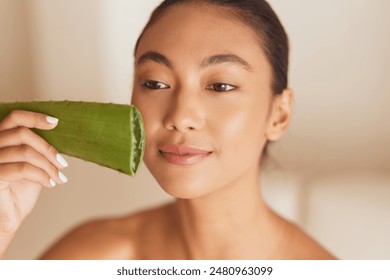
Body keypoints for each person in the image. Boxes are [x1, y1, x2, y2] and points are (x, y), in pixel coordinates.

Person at [0, 0, 335, 259]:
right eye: (155, 83)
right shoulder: (91, 256)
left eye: (220, 86)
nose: (180, 115)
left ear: (279, 115)